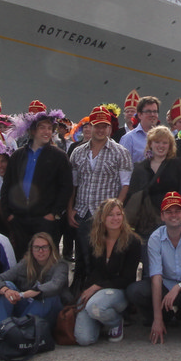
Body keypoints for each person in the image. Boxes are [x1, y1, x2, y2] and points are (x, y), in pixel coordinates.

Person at [131, 193, 181, 342]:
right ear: (162, 216)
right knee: (136, 291)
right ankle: (163, 318)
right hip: (164, 286)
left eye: (177, 211)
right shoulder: (155, 238)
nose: (173, 215)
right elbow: (156, 277)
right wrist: (157, 318)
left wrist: (179, 287)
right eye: (168, 212)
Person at [1, 109, 73, 258]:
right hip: (19, 219)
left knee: (46, 260)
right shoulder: (17, 156)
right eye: (42, 128)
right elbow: (7, 185)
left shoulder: (59, 157)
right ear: (33, 131)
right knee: (22, 259)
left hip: (45, 219)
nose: (47, 132)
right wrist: (9, 214)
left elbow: (66, 187)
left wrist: (54, 214)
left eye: (49, 128)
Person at [72, 198, 144, 345]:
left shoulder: (133, 241)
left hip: (118, 291)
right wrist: (88, 290)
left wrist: (97, 287)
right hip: (96, 290)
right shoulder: (94, 239)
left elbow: (128, 278)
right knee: (83, 339)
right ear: (102, 218)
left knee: (95, 307)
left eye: (118, 214)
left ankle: (115, 322)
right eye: (110, 215)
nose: (115, 218)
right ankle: (100, 319)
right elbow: (91, 270)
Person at [67, 104, 133, 260]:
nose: (101, 130)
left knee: (103, 259)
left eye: (104, 126)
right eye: (97, 126)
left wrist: (114, 212)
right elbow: (73, 185)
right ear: (91, 126)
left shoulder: (120, 152)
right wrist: (70, 209)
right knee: (82, 259)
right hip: (82, 213)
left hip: (105, 216)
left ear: (109, 127)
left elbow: (125, 186)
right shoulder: (77, 152)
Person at [0, 231, 69, 343]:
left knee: (48, 297)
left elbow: (55, 285)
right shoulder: (25, 264)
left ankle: (17, 332)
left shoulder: (60, 265)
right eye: (37, 247)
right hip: (27, 307)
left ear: (51, 249)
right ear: (31, 250)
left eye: (44, 247)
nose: (40, 251)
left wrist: (30, 293)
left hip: (48, 310)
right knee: (7, 285)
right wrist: (6, 291)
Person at [127, 125, 181, 236]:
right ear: (150, 144)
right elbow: (132, 195)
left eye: (165, 143)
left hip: (171, 219)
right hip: (146, 222)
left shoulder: (178, 165)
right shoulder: (140, 168)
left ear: (170, 145)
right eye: (157, 142)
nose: (161, 146)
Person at [120, 96, 162, 163]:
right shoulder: (129, 138)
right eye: (148, 112)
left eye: (155, 111)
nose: (152, 114)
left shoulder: (164, 138)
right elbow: (123, 165)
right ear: (139, 115)